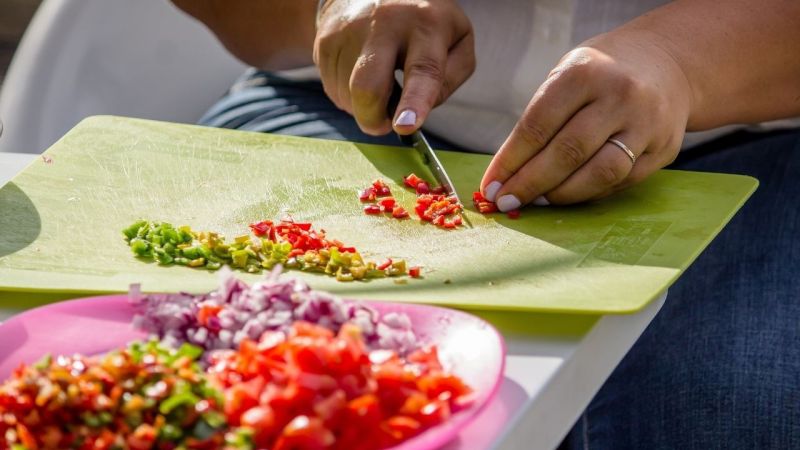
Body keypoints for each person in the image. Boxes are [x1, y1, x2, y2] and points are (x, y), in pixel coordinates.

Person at [172, 0, 800, 448]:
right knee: (264, 376)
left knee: (728, 406)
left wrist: (681, 62)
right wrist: (326, 8)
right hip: (346, 111)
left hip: (742, 136)